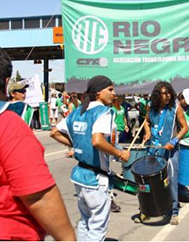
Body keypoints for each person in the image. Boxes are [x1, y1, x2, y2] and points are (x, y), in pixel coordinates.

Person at [0, 43, 75, 241]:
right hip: (1, 232)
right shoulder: (3, 121)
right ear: (6, 82)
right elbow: (38, 194)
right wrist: (68, 238)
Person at [50, 75, 130, 241]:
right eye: (110, 89)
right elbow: (97, 141)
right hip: (95, 179)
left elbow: (54, 132)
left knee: (85, 222)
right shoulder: (104, 112)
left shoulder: (77, 112)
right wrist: (120, 154)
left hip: (79, 176)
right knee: (97, 227)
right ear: (98, 93)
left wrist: (77, 144)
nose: (113, 93)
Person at [142, 81, 188, 225]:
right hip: (154, 149)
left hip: (170, 151)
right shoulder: (151, 107)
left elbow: (185, 127)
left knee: (171, 181)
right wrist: (147, 133)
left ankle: (174, 211)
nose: (167, 96)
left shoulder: (176, 108)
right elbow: (146, 122)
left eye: (169, 93)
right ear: (157, 95)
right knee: (152, 181)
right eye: (163, 93)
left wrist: (174, 141)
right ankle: (153, 208)